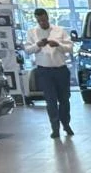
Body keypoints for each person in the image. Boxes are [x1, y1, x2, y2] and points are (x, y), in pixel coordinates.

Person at [29, 8, 74, 138]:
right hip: (44, 70)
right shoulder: (32, 32)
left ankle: (66, 124)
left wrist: (58, 45)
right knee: (50, 101)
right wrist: (38, 45)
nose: (42, 23)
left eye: (43, 20)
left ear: (47, 17)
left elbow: (70, 47)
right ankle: (55, 128)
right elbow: (28, 50)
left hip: (61, 69)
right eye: (39, 21)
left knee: (64, 99)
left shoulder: (59, 30)